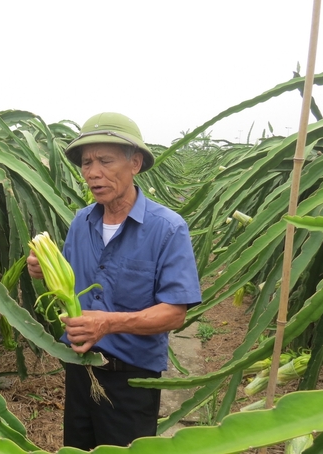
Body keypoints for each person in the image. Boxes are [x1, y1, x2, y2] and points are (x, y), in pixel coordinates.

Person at [27, 112, 202, 449]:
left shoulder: (167, 229)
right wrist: (43, 269)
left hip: (131, 379)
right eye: (87, 162)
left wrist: (107, 323)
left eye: (105, 161)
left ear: (135, 163)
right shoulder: (81, 222)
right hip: (79, 367)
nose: (93, 173)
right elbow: (69, 287)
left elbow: (175, 314)